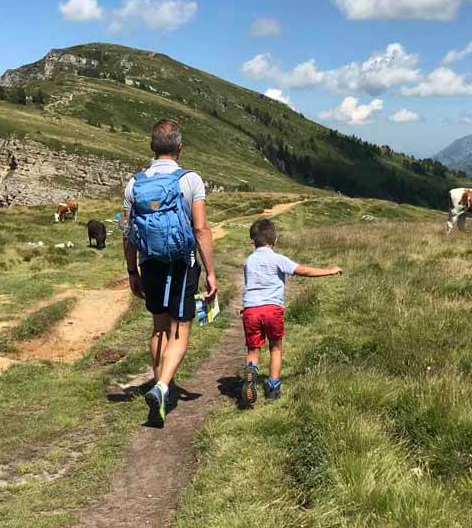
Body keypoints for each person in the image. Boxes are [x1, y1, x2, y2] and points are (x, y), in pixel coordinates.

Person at [123, 119, 218, 428]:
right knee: (180, 329)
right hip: (181, 263)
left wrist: (132, 270)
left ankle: (158, 382)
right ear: (180, 147)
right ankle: (163, 387)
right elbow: (201, 229)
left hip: (150, 263)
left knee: (159, 328)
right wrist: (211, 273)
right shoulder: (190, 180)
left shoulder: (135, 183)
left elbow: (128, 232)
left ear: (152, 146)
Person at [240, 218, 341, 406]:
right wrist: (329, 271)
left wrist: (245, 307)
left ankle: (251, 371)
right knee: (275, 348)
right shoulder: (278, 259)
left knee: (253, 349)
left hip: (251, 310)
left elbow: (249, 286)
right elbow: (303, 271)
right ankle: (272, 388)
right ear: (275, 240)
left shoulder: (249, 261)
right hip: (272, 310)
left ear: (252, 241)